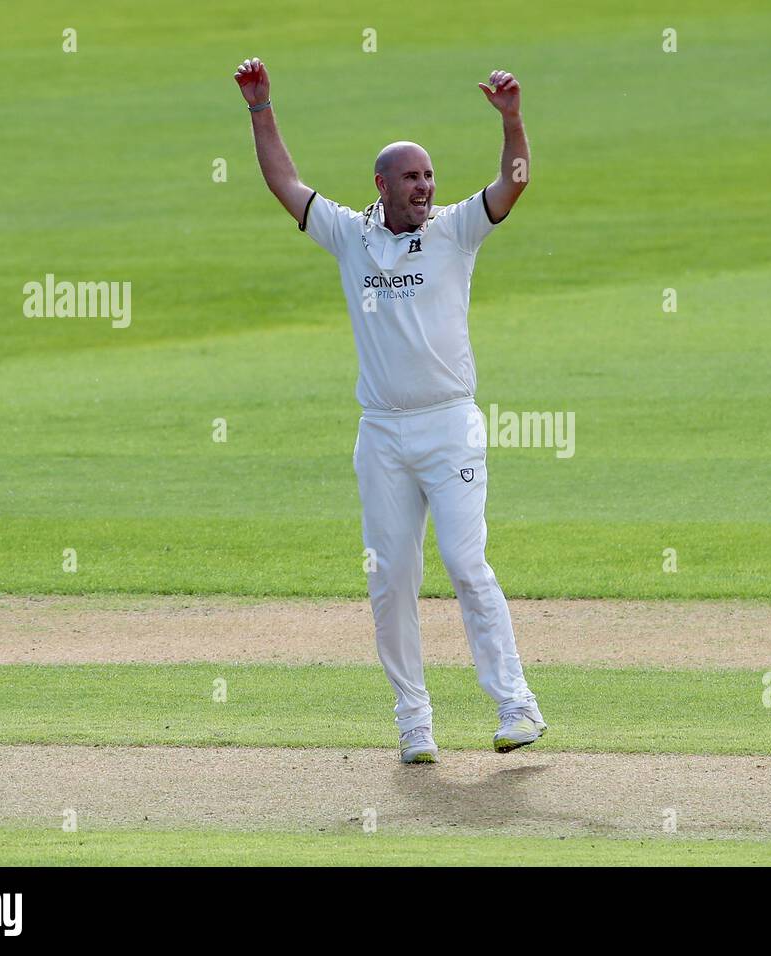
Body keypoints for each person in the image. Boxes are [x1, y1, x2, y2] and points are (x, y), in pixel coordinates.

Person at [234, 58, 546, 764]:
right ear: (382, 185)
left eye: (430, 177)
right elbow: (285, 183)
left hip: (449, 425)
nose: (426, 188)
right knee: (390, 580)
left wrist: (512, 120)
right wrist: (261, 109)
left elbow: (514, 184)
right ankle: (414, 723)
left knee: (467, 564)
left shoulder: (455, 231)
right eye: (413, 178)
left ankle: (516, 705)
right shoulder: (352, 236)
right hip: (381, 435)